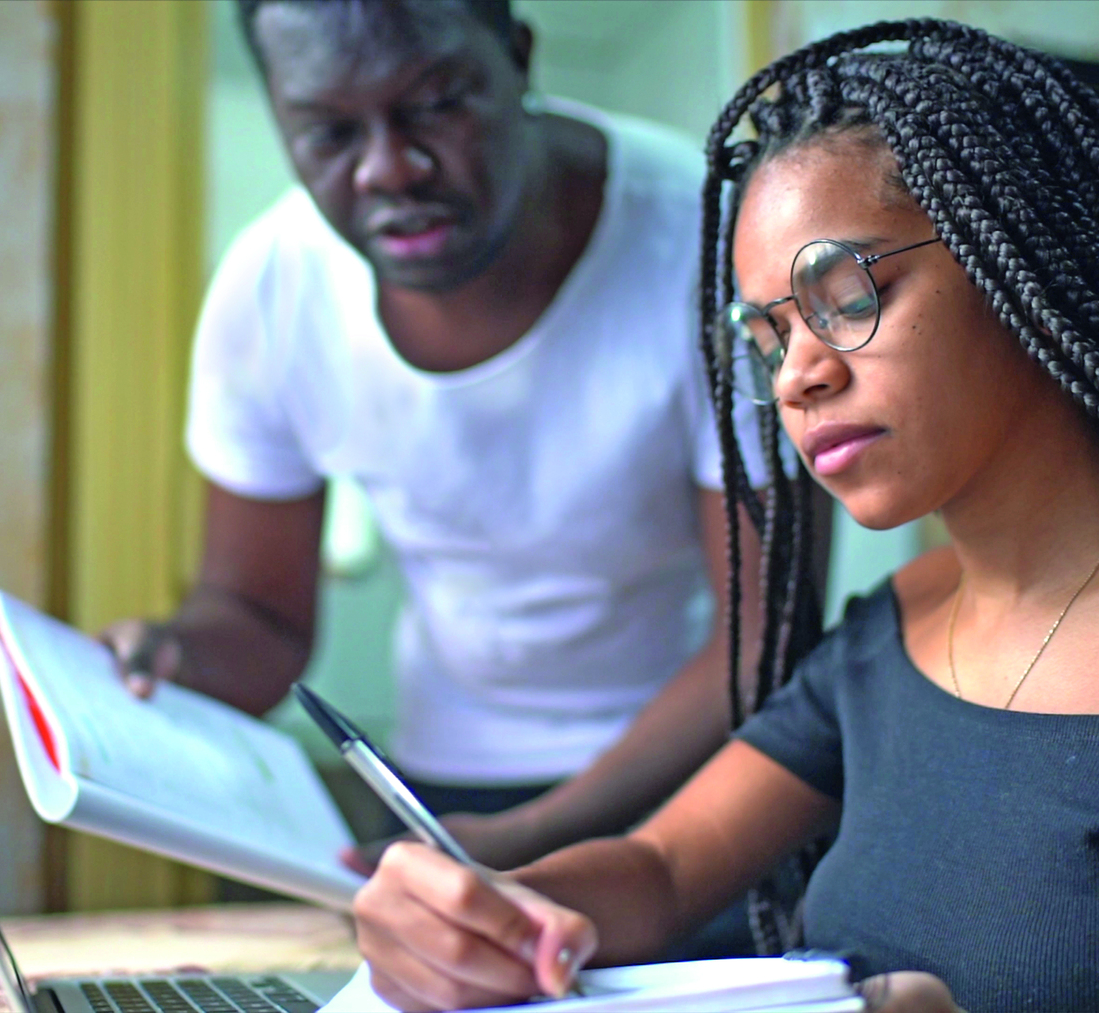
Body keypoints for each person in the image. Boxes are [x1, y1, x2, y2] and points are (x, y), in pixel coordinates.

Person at [347, 19, 1099, 1013]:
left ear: (1017, 257)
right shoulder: (901, 623)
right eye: (769, 334)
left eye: (847, 294)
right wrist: (491, 908)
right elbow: (665, 868)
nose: (796, 378)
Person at [102, 0, 786, 909]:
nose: (391, 168)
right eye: (330, 132)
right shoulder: (271, 286)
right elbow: (257, 620)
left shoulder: (711, 244)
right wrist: (168, 663)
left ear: (518, 56)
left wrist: (533, 837)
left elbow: (765, 635)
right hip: (438, 786)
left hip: (702, 784)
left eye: (435, 104)